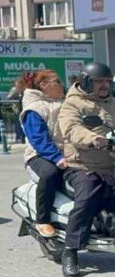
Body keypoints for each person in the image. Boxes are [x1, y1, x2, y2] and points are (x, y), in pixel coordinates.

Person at [58, 62, 115, 277]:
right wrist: (93, 138)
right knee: (86, 198)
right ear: (86, 81)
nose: (104, 86)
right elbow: (72, 129)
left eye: (107, 82)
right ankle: (71, 251)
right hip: (82, 165)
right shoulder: (73, 104)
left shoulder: (114, 104)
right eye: (99, 81)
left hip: (111, 165)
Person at [18, 70, 67, 238]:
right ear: (44, 86)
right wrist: (57, 157)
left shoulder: (65, 103)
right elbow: (39, 140)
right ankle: (43, 219)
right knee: (50, 173)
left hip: (66, 153)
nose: (61, 85)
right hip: (40, 155)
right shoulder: (34, 109)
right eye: (57, 81)